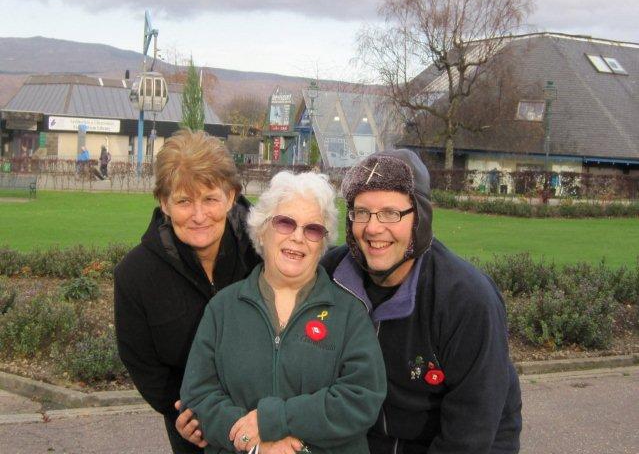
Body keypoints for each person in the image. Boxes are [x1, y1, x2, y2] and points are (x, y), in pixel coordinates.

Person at [321, 150, 522, 453]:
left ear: (421, 217)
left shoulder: (466, 300)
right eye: (362, 212)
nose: (373, 228)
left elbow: (471, 430)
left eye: (390, 213)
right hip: (365, 440)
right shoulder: (330, 275)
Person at [179, 171, 386, 454]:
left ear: (322, 243)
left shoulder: (349, 313)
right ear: (262, 230)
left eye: (312, 229)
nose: (298, 237)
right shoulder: (223, 308)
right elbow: (198, 395)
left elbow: (362, 398)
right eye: (286, 223)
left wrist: (274, 421)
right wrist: (253, 442)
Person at [114, 129, 261, 454]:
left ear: (232, 196)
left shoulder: (263, 253)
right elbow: (142, 360)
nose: (198, 216)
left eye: (210, 199)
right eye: (183, 201)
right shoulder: (135, 275)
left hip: (266, 420)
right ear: (164, 202)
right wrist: (181, 409)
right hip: (193, 428)